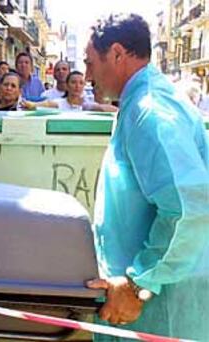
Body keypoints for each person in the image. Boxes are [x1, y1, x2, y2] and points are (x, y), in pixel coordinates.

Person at [83, 13, 209, 340]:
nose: (86, 75)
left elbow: (187, 208)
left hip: (160, 302)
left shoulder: (150, 110)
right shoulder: (144, 102)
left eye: (90, 62)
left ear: (117, 54)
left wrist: (139, 283)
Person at [22, 71, 117, 112]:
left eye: (81, 83)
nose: (77, 86)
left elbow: (105, 109)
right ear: (67, 85)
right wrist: (32, 105)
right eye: (73, 82)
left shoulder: (87, 104)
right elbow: (47, 104)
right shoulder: (59, 103)